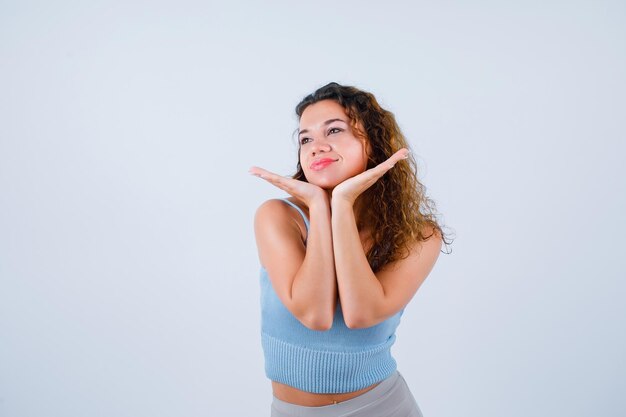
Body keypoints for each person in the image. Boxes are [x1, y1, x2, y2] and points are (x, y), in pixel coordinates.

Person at [249, 82, 451, 417]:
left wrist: (341, 203)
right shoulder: (280, 217)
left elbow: (360, 314)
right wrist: (317, 206)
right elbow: (315, 315)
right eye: (305, 138)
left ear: (373, 142)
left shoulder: (420, 235)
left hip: (384, 406)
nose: (316, 146)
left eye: (334, 130)